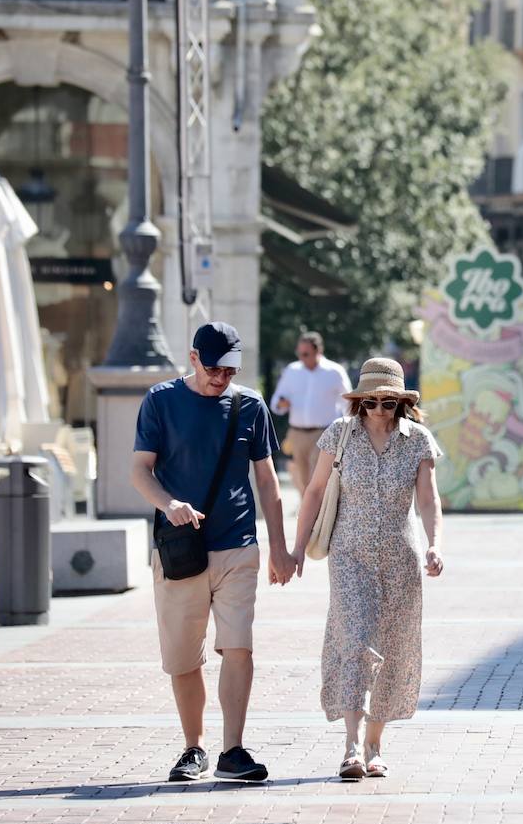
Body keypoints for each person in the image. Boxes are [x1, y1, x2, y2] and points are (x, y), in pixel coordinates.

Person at [130, 322, 291, 783]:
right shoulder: (161, 401)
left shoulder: (249, 405)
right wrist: (170, 504)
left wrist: (278, 546)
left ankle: (233, 751)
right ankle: (193, 748)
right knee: (184, 657)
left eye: (231, 368)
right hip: (181, 550)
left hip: (237, 545)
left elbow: (266, 479)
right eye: (215, 367)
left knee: (239, 645)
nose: (222, 376)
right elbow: (140, 471)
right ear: (194, 357)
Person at [292, 358, 445, 778]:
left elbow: (429, 500)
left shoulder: (418, 441)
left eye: (388, 403)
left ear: (401, 403)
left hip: (400, 556)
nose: (379, 410)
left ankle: (376, 745)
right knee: (357, 639)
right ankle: (351, 745)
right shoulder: (340, 435)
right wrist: (297, 547)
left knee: (394, 647)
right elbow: (314, 491)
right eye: (371, 402)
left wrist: (435, 545)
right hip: (349, 555)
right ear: (359, 402)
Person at [269, 331, 352, 494]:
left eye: (305, 354)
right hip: (297, 435)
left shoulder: (334, 371)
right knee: (302, 482)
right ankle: (309, 517)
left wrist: (347, 430)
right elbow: (275, 403)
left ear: (318, 351)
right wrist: (281, 403)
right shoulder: (292, 370)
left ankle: (319, 517)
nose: (301, 357)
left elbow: (348, 403)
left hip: (324, 433)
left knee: (318, 480)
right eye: (299, 353)